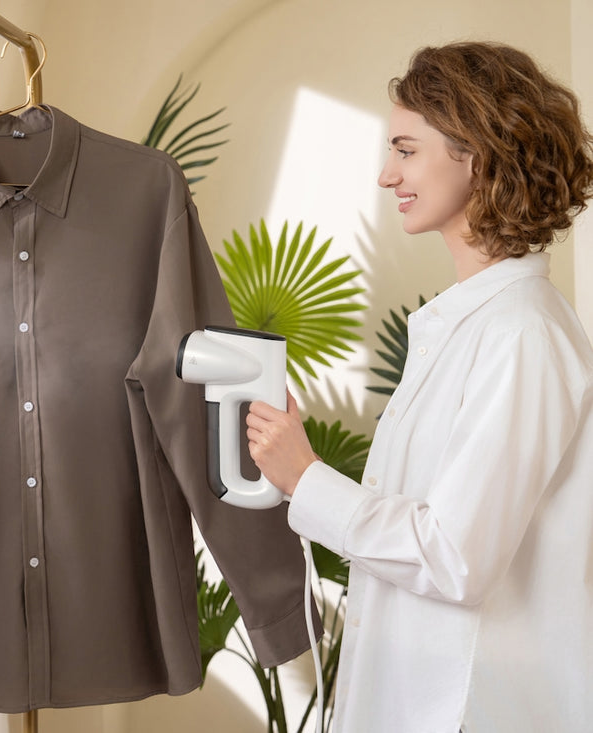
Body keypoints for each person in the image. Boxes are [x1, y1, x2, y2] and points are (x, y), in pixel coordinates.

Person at [245, 41, 593, 733]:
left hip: (471, 711)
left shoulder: (520, 333)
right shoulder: (477, 324)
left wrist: (308, 476)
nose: (386, 174)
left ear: (478, 153)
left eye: (406, 149)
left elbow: (457, 556)